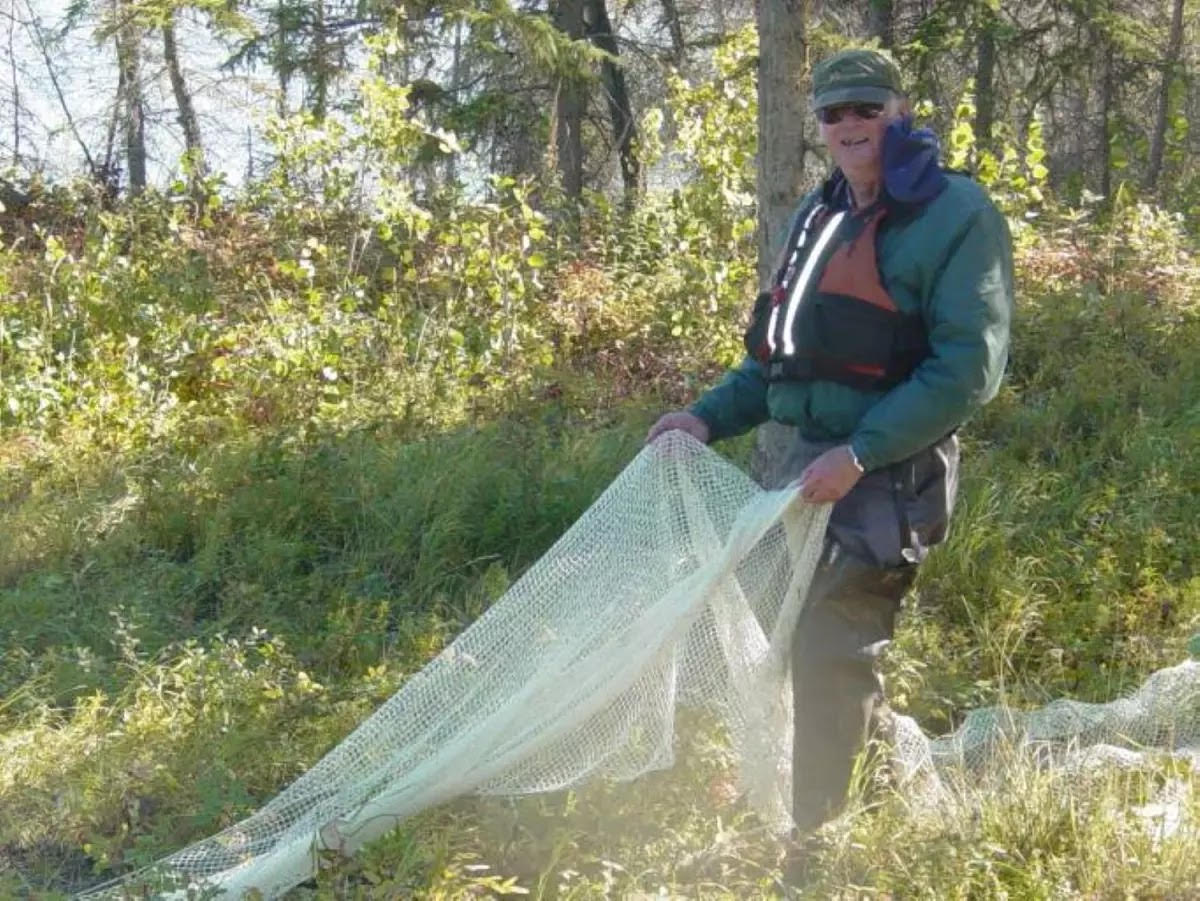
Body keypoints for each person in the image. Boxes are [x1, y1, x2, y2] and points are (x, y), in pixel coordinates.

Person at [646, 49, 1014, 838]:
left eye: (866, 108)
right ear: (817, 126)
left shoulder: (958, 213)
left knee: (830, 649)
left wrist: (858, 454)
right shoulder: (819, 216)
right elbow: (777, 357)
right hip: (796, 469)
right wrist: (705, 417)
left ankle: (817, 849)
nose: (850, 124)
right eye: (833, 112)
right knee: (806, 652)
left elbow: (965, 370)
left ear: (899, 112)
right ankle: (868, 798)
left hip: (887, 474)